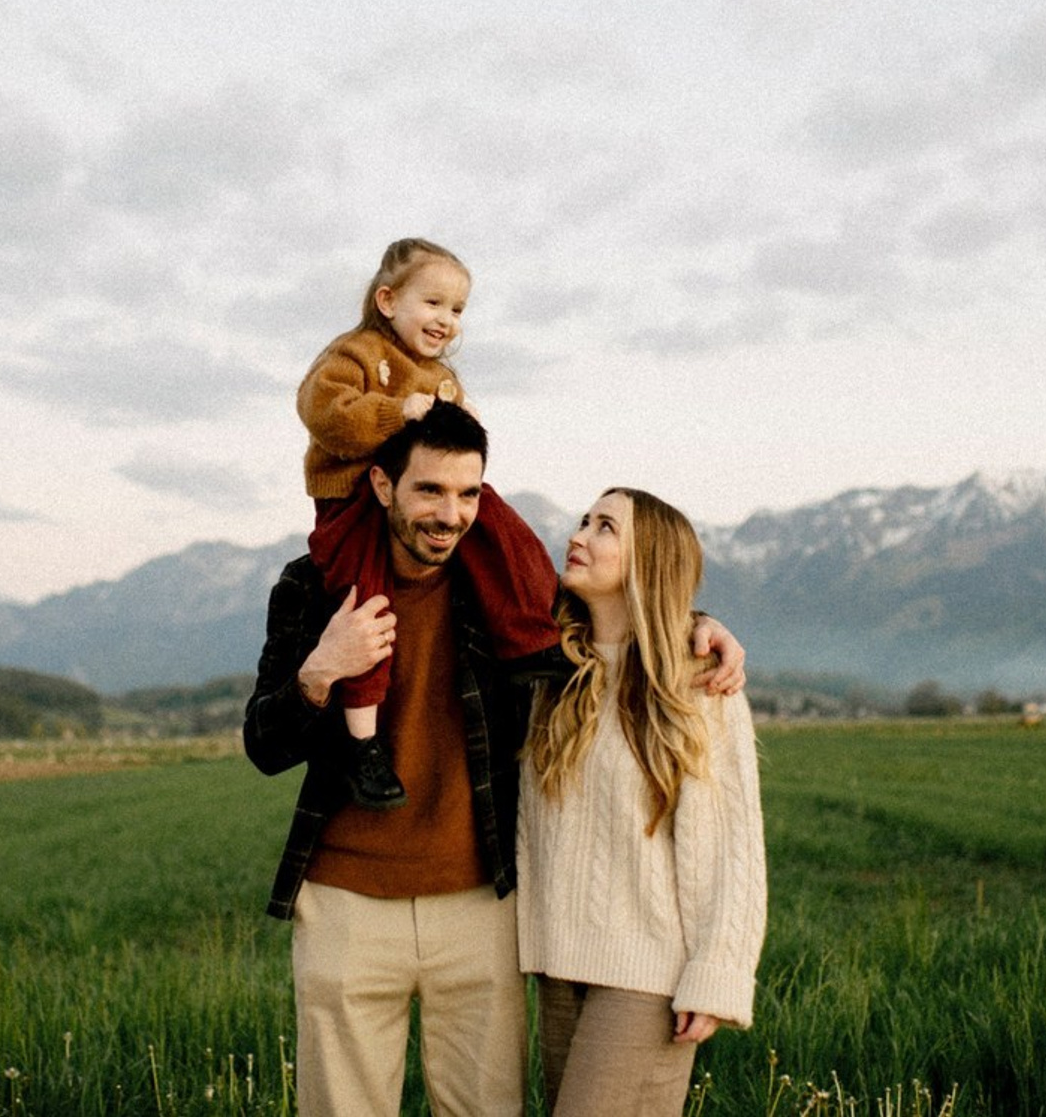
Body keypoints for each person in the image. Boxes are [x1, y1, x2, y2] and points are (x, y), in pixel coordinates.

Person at [244, 405, 748, 1117]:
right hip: (345, 905)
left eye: (468, 494)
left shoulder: (499, 580)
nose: (449, 515)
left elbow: (615, 620)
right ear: (384, 487)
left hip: (482, 908)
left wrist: (697, 626)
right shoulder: (312, 584)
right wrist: (320, 672)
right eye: (429, 492)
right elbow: (263, 744)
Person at [517, 488, 767, 1116]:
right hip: (556, 967)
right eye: (583, 520)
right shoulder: (556, 671)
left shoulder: (699, 682)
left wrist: (719, 972)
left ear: (649, 562)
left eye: (605, 528)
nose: (579, 535)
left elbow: (733, 845)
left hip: (647, 977)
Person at [296, 237, 558, 810]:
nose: (447, 321)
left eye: (458, 310)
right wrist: (397, 412)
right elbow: (322, 413)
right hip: (354, 505)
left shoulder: (441, 376)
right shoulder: (357, 354)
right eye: (434, 304)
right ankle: (362, 743)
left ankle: (534, 640)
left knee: (505, 532)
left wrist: (462, 422)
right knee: (368, 612)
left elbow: (455, 447)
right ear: (388, 300)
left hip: (406, 497)